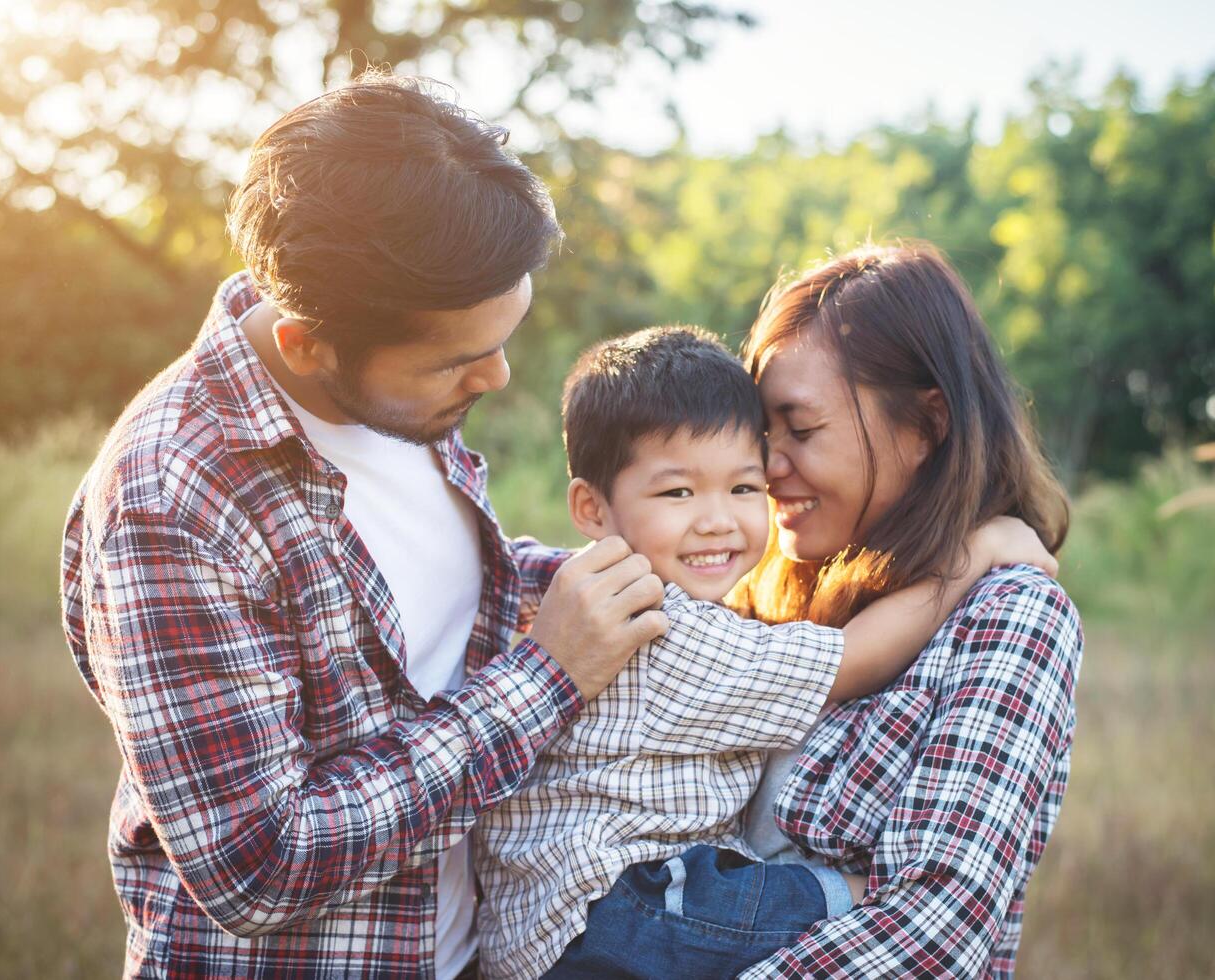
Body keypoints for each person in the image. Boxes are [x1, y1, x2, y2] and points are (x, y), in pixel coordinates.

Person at [59, 71, 667, 978]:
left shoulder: (395, 392)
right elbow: (258, 863)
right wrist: (548, 677)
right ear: (308, 340)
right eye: (459, 359)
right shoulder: (172, 503)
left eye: (505, 337)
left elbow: (440, 601)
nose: (496, 379)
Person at [473, 326, 1057, 979]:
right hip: (613, 911)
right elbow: (848, 659)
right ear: (591, 506)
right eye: (677, 493)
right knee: (788, 898)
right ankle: (857, 899)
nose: (717, 519)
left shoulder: (603, 601)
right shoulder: (659, 626)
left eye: (743, 488)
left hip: (557, 926)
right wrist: (973, 553)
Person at [731, 242, 1084, 979]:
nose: (768, 465)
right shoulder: (762, 591)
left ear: (925, 425)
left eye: (800, 429)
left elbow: (931, 932)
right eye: (762, 432)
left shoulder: (1012, 615)